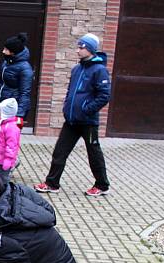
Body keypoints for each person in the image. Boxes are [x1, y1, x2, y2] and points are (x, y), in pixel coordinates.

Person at [34, 33, 111, 196]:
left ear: (90, 49)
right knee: (59, 152)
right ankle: (52, 183)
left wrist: (86, 109)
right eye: (78, 47)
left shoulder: (100, 70)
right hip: (71, 121)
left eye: (81, 47)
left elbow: (104, 96)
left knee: (94, 153)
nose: (78, 50)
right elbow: (71, 91)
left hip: (88, 122)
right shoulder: (77, 69)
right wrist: (66, 107)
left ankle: (102, 185)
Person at [0, 33, 34, 129]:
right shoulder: (6, 64)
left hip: (12, 109)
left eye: (6, 50)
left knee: (9, 138)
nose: (3, 51)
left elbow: (25, 93)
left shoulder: (25, 69)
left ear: (13, 52)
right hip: (3, 107)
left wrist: (20, 115)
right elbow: (2, 85)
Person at [0, 98, 22, 185]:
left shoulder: (11, 128)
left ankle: (4, 196)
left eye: (0, 109)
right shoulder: (0, 124)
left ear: (6, 112)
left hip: (3, 161)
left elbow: (12, 146)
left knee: (2, 181)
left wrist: (8, 160)